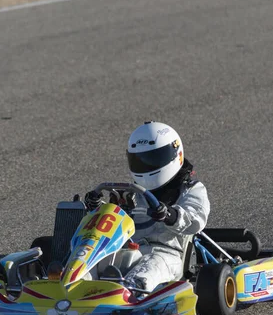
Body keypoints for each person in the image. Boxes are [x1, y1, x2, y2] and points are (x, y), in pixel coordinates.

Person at [84, 121, 210, 293]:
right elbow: (114, 220)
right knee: (91, 261)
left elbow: (196, 220)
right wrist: (97, 209)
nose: (146, 166)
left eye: (152, 160)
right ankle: (75, 287)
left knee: (149, 268)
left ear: (175, 154)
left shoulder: (190, 189)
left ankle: (131, 292)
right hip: (127, 249)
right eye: (140, 161)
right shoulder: (132, 192)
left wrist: (170, 215)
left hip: (167, 253)